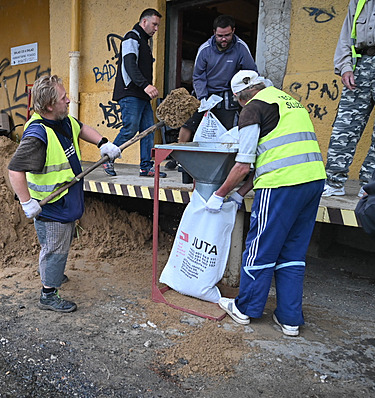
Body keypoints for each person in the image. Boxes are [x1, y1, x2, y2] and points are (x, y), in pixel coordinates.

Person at [207, 70, 326, 337]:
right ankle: (290, 318)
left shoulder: (252, 108)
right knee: (293, 253)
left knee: (260, 248)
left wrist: (220, 194)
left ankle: (245, 308)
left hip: (282, 184)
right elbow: (271, 156)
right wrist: (241, 194)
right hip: (313, 181)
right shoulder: (288, 100)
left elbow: (243, 164)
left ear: (239, 96)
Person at [8, 75, 121, 313]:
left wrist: (103, 143)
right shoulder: (37, 135)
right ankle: (48, 294)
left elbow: (81, 128)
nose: (68, 100)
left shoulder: (63, 120)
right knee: (55, 248)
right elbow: (15, 170)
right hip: (52, 205)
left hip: (67, 198)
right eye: (63, 98)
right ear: (49, 105)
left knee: (59, 244)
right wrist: (27, 203)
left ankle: (53, 271)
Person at [322, 0, 375, 198]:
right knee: (344, 128)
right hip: (359, 66)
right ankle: (334, 182)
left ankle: (370, 185)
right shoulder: (358, 1)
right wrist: (345, 67)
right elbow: (346, 36)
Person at [104, 8, 166, 178]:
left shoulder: (144, 41)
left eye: (158, 25)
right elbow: (129, 65)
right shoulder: (132, 38)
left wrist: (145, 89)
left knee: (148, 130)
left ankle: (146, 167)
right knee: (130, 129)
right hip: (130, 93)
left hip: (141, 95)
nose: (156, 29)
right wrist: (145, 85)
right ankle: (107, 157)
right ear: (144, 22)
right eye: (154, 24)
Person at [177, 15, 257, 143]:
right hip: (205, 92)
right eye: (220, 36)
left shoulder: (241, 48)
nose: (224, 39)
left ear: (233, 31)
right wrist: (202, 98)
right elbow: (198, 76)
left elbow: (251, 73)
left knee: (227, 129)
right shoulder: (205, 50)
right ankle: (179, 159)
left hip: (228, 94)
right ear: (214, 32)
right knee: (188, 123)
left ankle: (222, 160)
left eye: (227, 35)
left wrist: (242, 94)